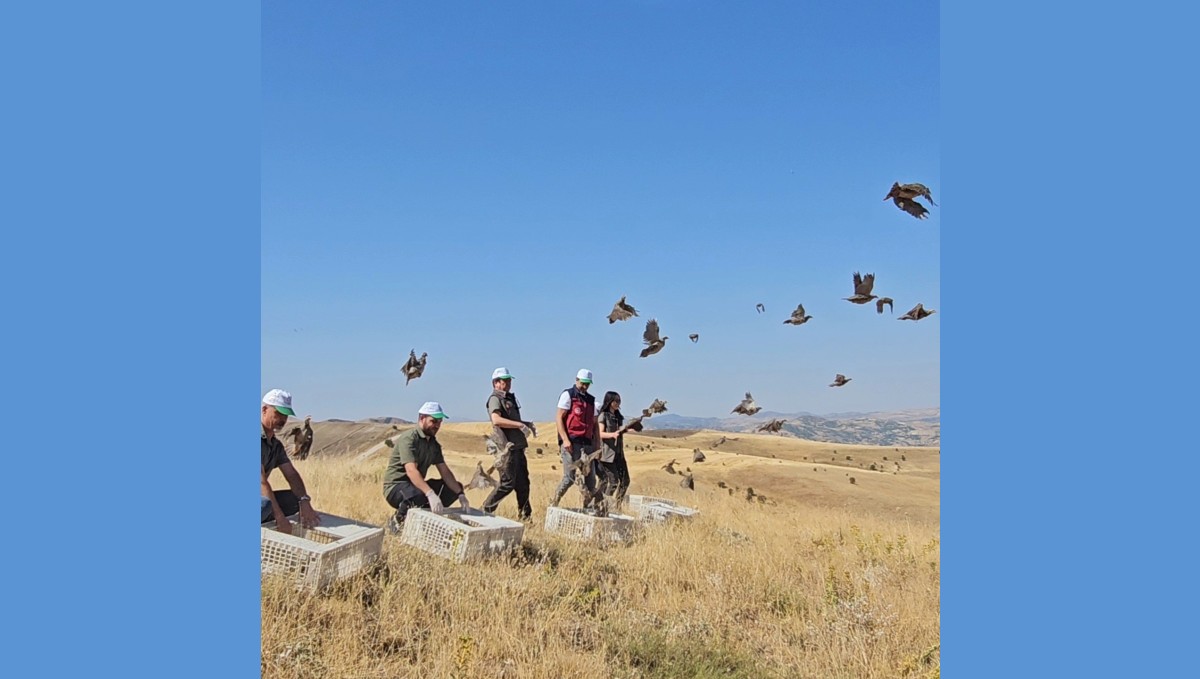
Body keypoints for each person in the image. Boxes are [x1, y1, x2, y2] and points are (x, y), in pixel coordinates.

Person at [383, 401, 470, 532]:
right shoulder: (409, 439)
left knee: (451, 489)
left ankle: (426, 521)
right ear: (422, 418)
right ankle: (397, 522)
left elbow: (445, 472)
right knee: (420, 494)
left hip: (415, 487)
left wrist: (460, 493)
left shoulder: (434, 445)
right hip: (396, 486)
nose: (437, 425)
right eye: (433, 421)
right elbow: (411, 470)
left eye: (439, 422)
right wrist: (430, 493)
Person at [261, 388, 321, 533]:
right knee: (265, 505)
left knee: (295, 500)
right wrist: (280, 517)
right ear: (264, 410)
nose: (282, 420)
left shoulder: (275, 445)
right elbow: (260, 482)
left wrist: (304, 501)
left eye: (285, 416)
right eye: (278, 413)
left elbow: (291, 475)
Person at [481, 367, 537, 521]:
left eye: (508, 380)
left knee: (523, 484)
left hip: (517, 446)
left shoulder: (509, 398)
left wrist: (526, 424)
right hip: (506, 448)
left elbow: (512, 420)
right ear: (495, 383)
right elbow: (496, 420)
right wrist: (519, 426)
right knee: (507, 483)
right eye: (504, 380)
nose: (507, 383)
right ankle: (485, 511)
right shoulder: (495, 399)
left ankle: (526, 516)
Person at [550, 369, 601, 507]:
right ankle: (554, 502)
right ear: (576, 380)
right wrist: (565, 440)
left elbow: (595, 425)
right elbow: (559, 418)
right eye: (583, 383)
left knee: (590, 479)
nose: (585, 386)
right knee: (569, 478)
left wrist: (597, 444)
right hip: (571, 442)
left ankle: (589, 507)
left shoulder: (591, 401)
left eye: (588, 384)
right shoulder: (568, 395)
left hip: (588, 444)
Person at [596, 391, 634, 505]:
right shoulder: (603, 416)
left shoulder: (618, 417)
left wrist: (626, 429)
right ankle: (603, 505)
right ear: (609, 401)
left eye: (619, 401)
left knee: (625, 481)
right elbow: (600, 434)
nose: (618, 403)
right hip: (607, 455)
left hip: (618, 454)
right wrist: (612, 435)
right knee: (613, 482)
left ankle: (617, 505)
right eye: (616, 401)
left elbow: (619, 432)